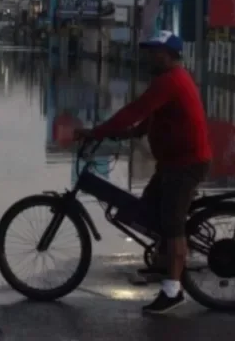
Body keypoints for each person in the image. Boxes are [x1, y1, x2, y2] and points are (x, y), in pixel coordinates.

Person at [75, 30, 211, 314]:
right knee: (147, 214)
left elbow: (135, 110)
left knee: (172, 226)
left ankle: (173, 290)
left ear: (170, 55)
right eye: (150, 51)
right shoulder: (169, 81)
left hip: (185, 164)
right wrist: (121, 135)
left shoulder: (171, 81)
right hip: (172, 163)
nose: (151, 56)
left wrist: (97, 131)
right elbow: (147, 120)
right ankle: (164, 267)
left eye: (156, 51)